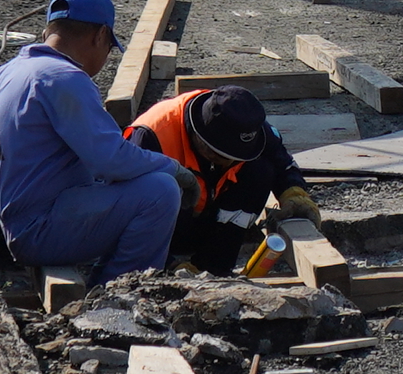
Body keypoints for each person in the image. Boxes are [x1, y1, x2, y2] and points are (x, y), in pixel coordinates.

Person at [0, 0, 196, 274]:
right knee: (160, 191)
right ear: (100, 36)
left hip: (20, 221)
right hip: (39, 231)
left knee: (117, 183)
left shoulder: (5, 73)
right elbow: (113, 160)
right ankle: (118, 297)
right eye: (108, 47)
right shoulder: (64, 78)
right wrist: (176, 169)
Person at [124, 81, 322, 276]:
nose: (227, 163)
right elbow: (126, 213)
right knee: (163, 188)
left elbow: (281, 161)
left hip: (209, 220)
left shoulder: (245, 124)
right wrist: (170, 265)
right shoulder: (151, 136)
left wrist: (294, 193)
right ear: (198, 134)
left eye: (234, 157)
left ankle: (216, 269)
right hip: (163, 231)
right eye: (218, 155)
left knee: (261, 171)